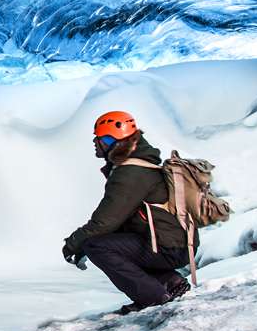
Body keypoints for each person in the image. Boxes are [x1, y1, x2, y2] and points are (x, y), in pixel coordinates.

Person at [61, 110, 192, 314]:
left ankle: (152, 297)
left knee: (96, 245)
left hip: (168, 247)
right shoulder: (138, 166)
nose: (95, 142)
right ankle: (170, 281)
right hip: (172, 243)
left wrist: (73, 244)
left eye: (99, 138)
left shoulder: (131, 172)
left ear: (111, 141)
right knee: (112, 240)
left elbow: (105, 221)